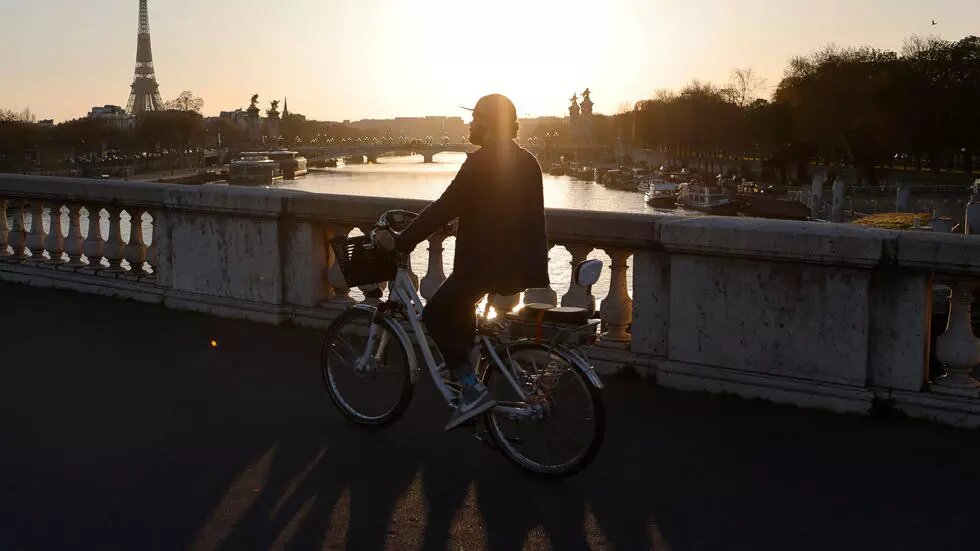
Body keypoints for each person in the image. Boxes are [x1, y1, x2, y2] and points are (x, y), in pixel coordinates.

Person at [376, 94, 549, 430]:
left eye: (474, 119)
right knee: (462, 313)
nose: (470, 125)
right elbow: (504, 207)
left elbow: (444, 206)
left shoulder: (481, 162)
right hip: (521, 263)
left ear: (485, 122)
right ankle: (470, 378)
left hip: (485, 263)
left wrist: (402, 240)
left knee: (434, 315)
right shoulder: (527, 160)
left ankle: (471, 392)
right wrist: (469, 219)